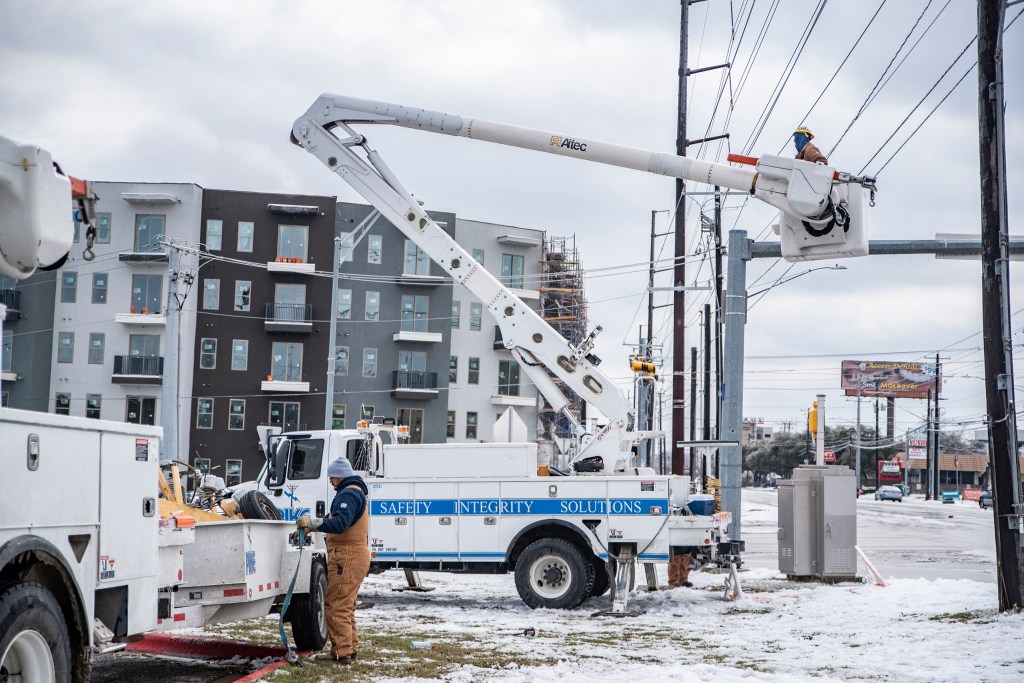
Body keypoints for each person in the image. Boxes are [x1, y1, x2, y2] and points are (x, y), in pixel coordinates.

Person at [296, 456, 370, 665]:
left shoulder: (348, 494)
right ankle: (349, 647)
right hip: (353, 555)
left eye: (332, 477)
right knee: (346, 604)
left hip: (347, 555)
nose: (330, 481)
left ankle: (342, 652)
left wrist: (314, 522)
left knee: (336, 604)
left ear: (340, 476)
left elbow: (340, 524)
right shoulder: (356, 492)